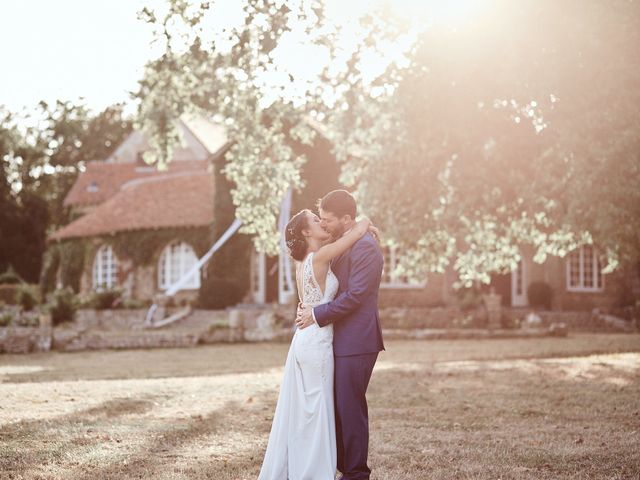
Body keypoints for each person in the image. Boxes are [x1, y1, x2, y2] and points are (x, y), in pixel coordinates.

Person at [258, 206, 376, 480]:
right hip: (316, 342)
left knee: (308, 410)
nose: (321, 222)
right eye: (315, 220)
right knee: (317, 411)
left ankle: (304, 468)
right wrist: (366, 221)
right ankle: (313, 473)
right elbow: (354, 232)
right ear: (306, 231)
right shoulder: (321, 256)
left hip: (306, 338)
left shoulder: (305, 261)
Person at [296, 190, 385, 480]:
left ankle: (356, 473)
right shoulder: (343, 241)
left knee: (350, 408)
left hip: (357, 341)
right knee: (336, 408)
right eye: (320, 219)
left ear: (347, 219)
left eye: (329, 220)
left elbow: (356, 295)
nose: (324, 225)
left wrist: (316, 314)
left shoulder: (366, 248)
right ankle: (343, 468)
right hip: (335, 339)